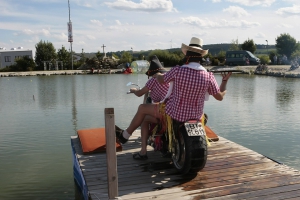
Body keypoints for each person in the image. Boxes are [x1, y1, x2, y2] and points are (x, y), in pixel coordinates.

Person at [116, 37, 232, 158]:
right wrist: (224, 83)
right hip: (196, 116)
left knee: (142, 108)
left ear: (187, 55)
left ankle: (125, 135)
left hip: (174, 113)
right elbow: (220, 96)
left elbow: (161, 80)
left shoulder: (178, 70)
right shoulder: (209, 76)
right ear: (200, 57)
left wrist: (158, 74)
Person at [129, 55, 169, 159]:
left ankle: (143, 151)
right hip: (173, 111)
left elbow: (139, 93)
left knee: (144, 119)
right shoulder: (169, 79)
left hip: (161, 112)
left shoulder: (153, 80)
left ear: (152, 73)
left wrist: (133, 90)